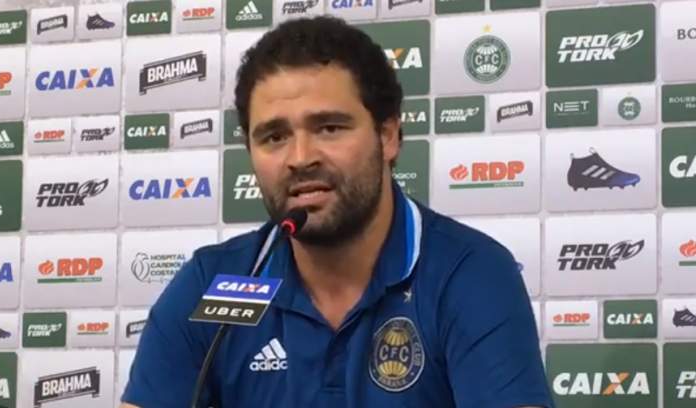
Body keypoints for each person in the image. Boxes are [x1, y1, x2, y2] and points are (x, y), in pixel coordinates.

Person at [121, 16, 553, 408]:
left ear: (388, 135)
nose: (300, 157)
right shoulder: (212, 284)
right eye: (274, 137)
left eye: (329, 128)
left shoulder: (470, 275)